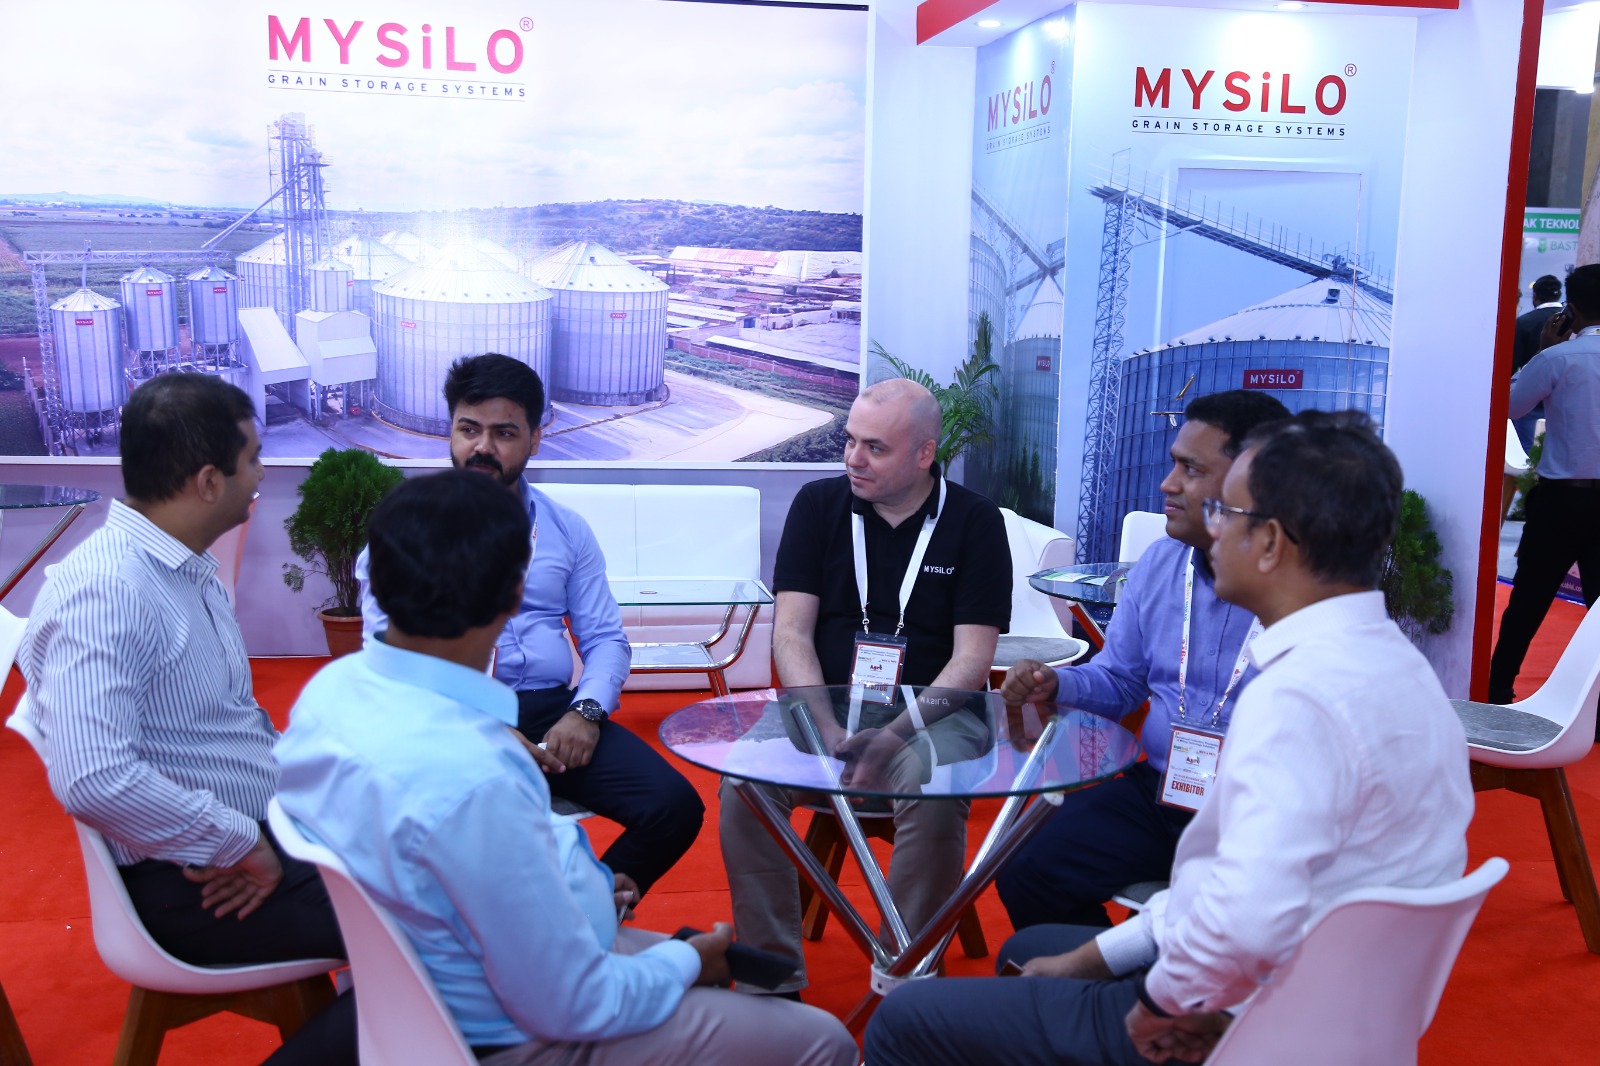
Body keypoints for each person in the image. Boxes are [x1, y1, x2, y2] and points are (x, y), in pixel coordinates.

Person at [863, 409, 1474, 1066]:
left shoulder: (1297, 697)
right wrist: (1087, 962)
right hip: (1338, 1013)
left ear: (1270, 543)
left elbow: (1239, 921)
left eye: (1227, 512)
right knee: (1032, 943)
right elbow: (1227, 895)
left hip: (1253, 1023)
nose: (1211, 526)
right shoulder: (1402, 671)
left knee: (902, 1020)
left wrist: (1156, 1007)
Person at [277, 470, 857, 1066]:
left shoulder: (325, 698)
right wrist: (687, 960)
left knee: (667, 809)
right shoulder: (482, 775)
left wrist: (588, 892)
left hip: (422, 987)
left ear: (375, 581)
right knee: (823, 1040)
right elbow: (578, 1004)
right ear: (514, 595)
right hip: (506, 1028)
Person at [17, 374, 352, 1065]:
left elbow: (229, 728)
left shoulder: (183, 569)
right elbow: (94, 777)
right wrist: (237, 842)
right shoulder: (108, 590)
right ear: (207, 481)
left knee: (445, 881)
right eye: (253, 459)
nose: (260, 476)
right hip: (198, 883)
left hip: (257, 841)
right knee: (446, 933)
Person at [356, 353, 702, 895]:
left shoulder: (566, 529)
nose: (483, 448)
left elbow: (605, 640)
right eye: (469, 429)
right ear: (451, 431)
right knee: (483, 841)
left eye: (504, 433)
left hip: (551, 711)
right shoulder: (410, 529)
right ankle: (546, 923)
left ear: (536, 439)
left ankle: (585, 913)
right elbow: (388, 658)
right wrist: (483, 729)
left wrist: (586, 713)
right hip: (452, 714)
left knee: (674, 806)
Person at [718, 377, 1012, 996]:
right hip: (821, 704)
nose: (853, 458)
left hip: (932, 714)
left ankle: (904, 979)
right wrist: (825, 726)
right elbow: (791, 634)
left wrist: (895, 735)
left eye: (875, 447)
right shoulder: (818, 505)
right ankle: (771, 981)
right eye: (850, 441)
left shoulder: (975, 522)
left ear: (924, 454)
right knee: (744, 782)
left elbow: (971, 662)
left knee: (931, 788)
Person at [995, 390, 1289, 930]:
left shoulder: (1307, 589)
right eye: (1173, 464)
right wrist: (1055, 685)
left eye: (1191, 469)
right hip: (1158, 789)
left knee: (1229, 924)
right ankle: (1112, 982)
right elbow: (1120, 681)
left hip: (1261, 815)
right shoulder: (1160, 565)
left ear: (1253, 482)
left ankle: (1138, 977)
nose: (1167, 484)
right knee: (1027, 869)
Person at [1490, 263, 1600, 712]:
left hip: (1561, 501)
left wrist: (1542, 353)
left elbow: (1509, 407)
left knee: (1529, 601)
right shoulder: (1562, 359)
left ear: (1571, 309)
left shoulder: (1557, 358)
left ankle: (1498, 694)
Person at [1510, 273, 1562, 452]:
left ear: (1535, 296)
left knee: (1525, 451)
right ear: (1559, 294)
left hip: (1530, 400)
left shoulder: (1524, 322)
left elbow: (1513, 363)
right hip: (1564, 399)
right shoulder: (1574, 323)